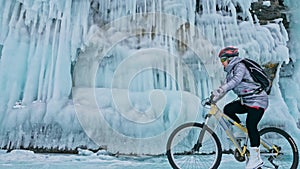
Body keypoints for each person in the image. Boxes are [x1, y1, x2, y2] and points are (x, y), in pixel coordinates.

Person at [210, 46, 268, 169]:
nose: (222, 63)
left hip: (258, 100)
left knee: (251, 124)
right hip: (246, 101)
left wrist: (221, 89)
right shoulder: (230, 72)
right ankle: (241, 132)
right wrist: (213, 99)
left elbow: (235, 81)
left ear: (230, 59)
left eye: (223, 59)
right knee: (228, 109)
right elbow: (226, 86)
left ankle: (256, 159)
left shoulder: (240, 66)